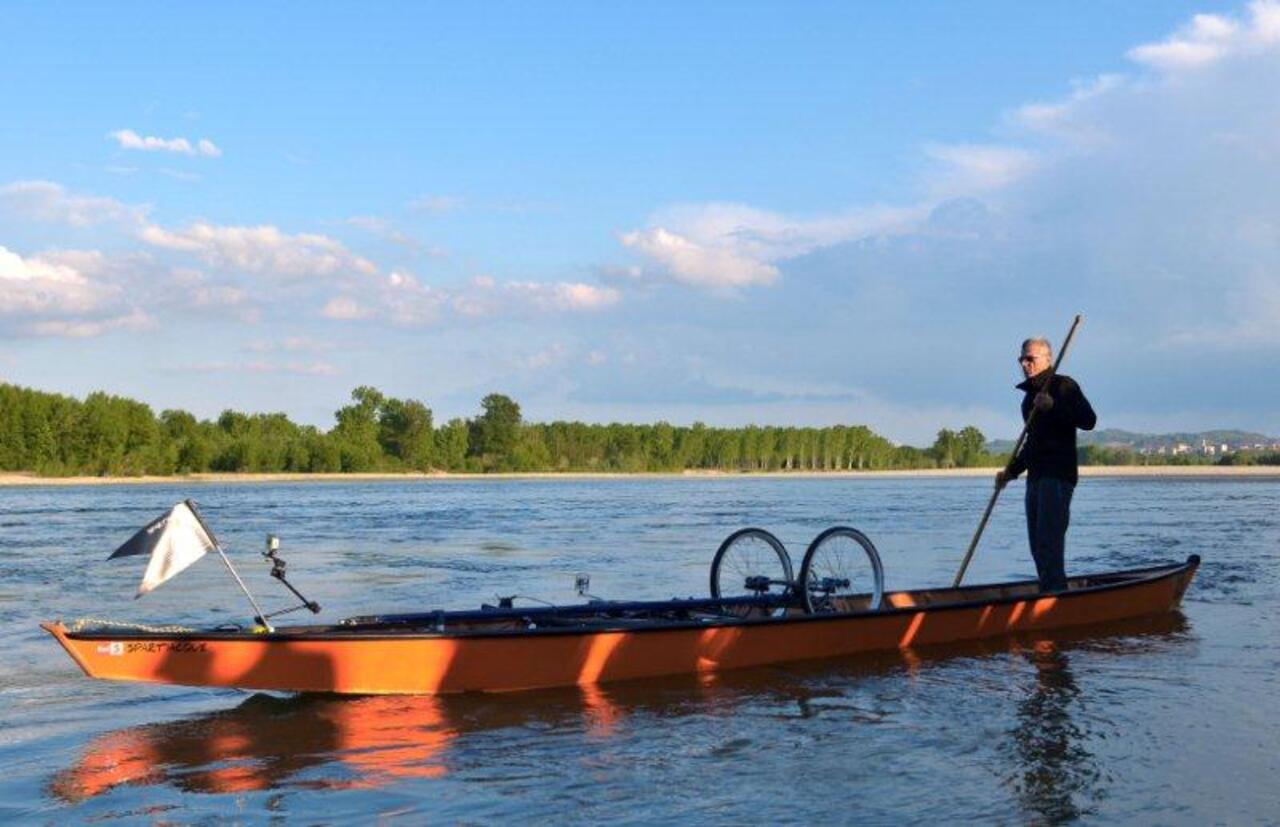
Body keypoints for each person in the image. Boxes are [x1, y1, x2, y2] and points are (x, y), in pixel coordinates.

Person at [995, 337, 1096, 593]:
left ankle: (1055, 598)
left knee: (1049, 543)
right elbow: (1032, 445)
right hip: (1036, 478)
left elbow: (1088, 420)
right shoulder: (1028, 401)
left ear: (1047, 359)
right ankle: (1049, 591)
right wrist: (1011, 472)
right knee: (1037, 546)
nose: (1025, 364)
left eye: (1031, 358)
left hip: (1058, 476)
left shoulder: (1064, 386)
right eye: (1022, 359)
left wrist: (1053, 406)